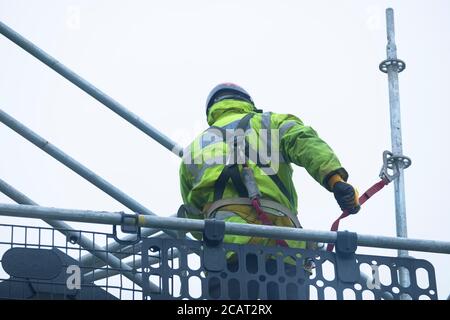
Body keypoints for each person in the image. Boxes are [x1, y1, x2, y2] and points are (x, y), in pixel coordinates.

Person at [178, 83, 360, 299]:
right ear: (248, 103)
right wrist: (334, 180)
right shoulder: (269, 124)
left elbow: (195, 218)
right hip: (283, 251)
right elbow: (304, 142)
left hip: (227, 255)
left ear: (211, 110)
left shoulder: (194, 150)